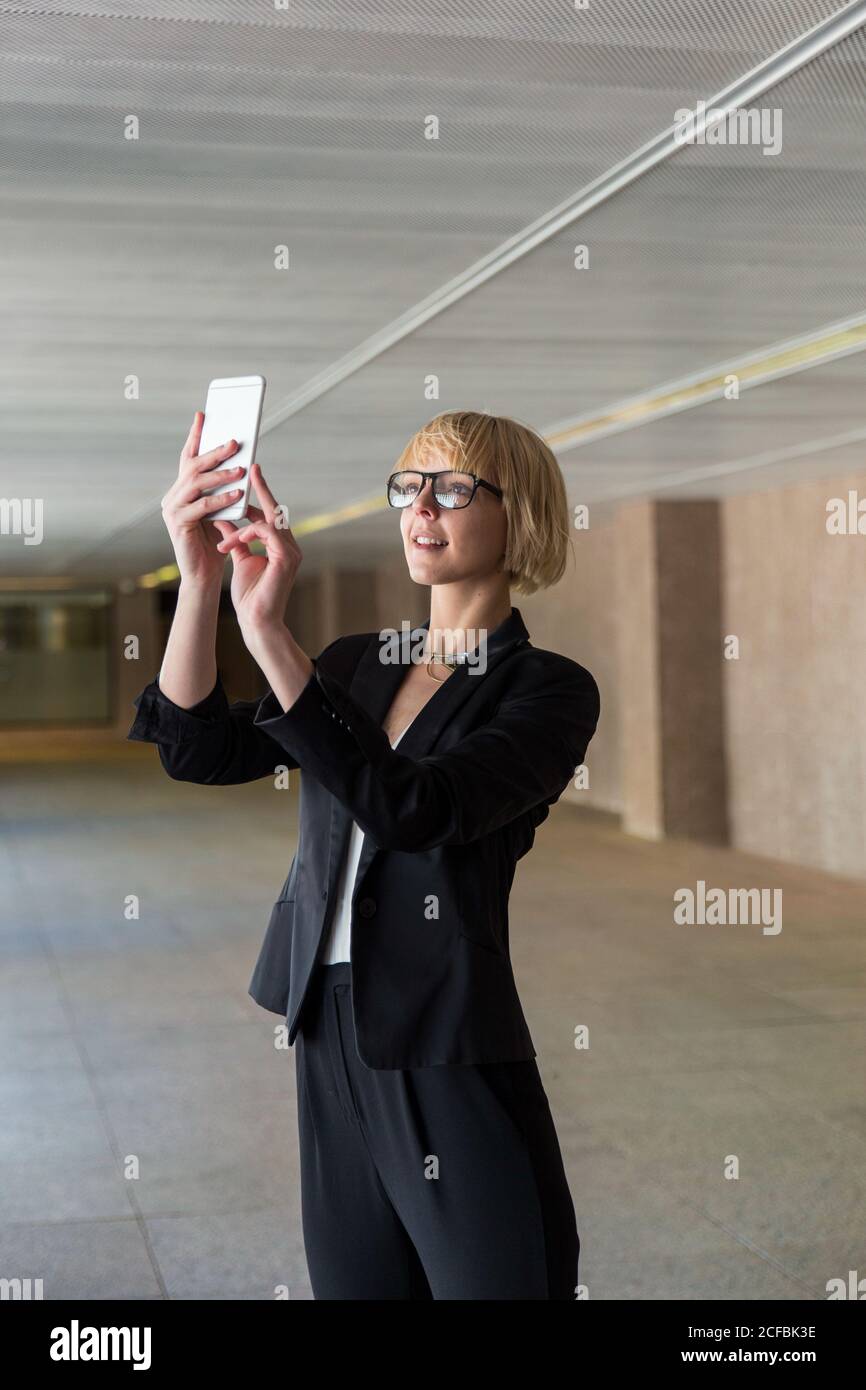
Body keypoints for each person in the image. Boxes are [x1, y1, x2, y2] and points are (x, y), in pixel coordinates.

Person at [128, 408, 600, 1299]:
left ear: (520, 514)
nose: (423, 507)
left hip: (444, 1037)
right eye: (408, 487)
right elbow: (198, 751)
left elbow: (414, 808)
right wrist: (200, 584)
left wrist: (271, 639)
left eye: (454, 489)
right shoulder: (356, 665)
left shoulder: (547, 690)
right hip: (324, 1025)